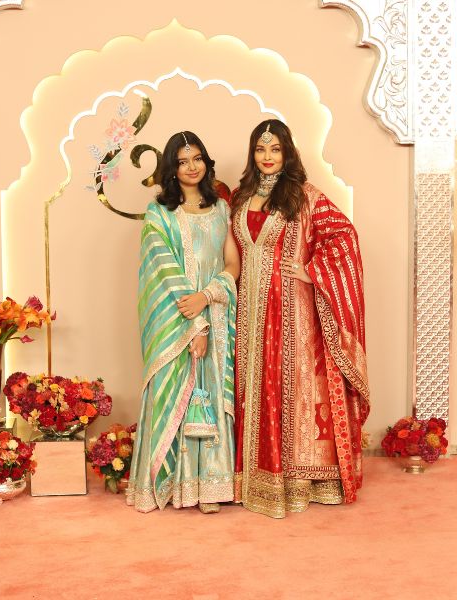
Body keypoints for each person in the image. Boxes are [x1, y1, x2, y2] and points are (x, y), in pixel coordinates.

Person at [230, 119, 370, 518]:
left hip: (292, 309)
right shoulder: (240, 197)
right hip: (247, 310)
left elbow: (344, 236)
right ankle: (252, 477)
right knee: (250, 384)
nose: (267, 156)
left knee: (289, 384)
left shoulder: (304, 196)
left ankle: (297, 480)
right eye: (261, 149)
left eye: (275, 149)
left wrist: (312, 270)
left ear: (287, 152)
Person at [128, 131, 240, 514]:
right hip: (176, 322)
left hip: (216, 316)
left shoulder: (222, 209)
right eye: (182, 161)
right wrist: (194, 325)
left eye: (197, 159)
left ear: (206, 162)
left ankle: (209, 488)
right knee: (178, 393)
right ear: (171, 169)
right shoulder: (159, 214)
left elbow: (232, 265)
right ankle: (175, 487)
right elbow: (161, 272)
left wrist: (207, 299)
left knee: (210, 397)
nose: (192, 167)